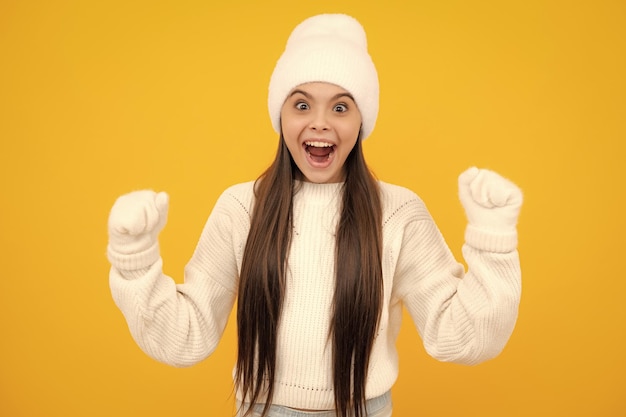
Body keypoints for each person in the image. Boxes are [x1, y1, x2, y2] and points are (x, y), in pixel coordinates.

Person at [107, 13, 523, 417]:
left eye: (340, 108)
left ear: (362, 120)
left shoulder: (398, 214)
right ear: (281, 116)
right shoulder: (240, 209)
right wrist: (135, 259)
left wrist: (493, 240)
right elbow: (185, 337)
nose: (320, 124)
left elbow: (460, 336)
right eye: (302, 105)